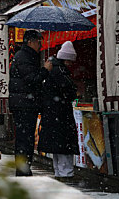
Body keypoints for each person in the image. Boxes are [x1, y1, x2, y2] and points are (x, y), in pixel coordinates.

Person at [9, 29, 53, 176]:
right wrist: (45, 70)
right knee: (25, 139)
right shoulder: (24, 57)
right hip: (24, 105)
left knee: (25, 139)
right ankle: (23, 171)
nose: (40, 44)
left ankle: (23, 169)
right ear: (30, 42)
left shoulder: (25, 56)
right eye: (37, 41)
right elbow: (32, 79)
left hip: (24, 104)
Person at [38, 41, 79, 179]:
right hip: (60, 114)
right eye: (70, 61)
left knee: (57, 147)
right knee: (64, 147)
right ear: (66, 59)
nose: (71, 64)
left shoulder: (52, 70)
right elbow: (70, 91)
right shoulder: (60, 72)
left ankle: (58, 173)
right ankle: (66, 175)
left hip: (51, 114)